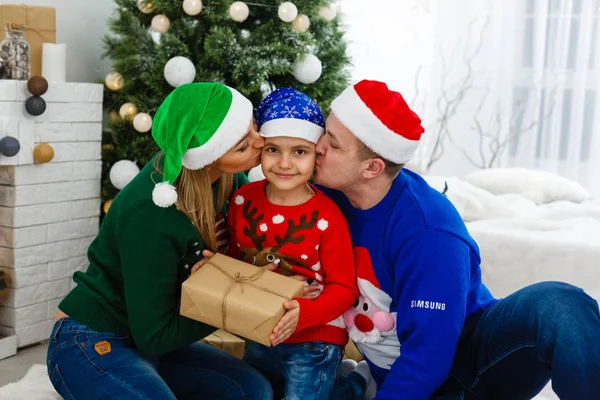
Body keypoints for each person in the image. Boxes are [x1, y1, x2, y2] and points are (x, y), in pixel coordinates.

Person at [315, 80, 600, 400]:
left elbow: (429, 354)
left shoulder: (428, 234)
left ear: (371, 167)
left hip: (472, 358)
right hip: (402, 367)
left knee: (560, 305)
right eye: (325, 132)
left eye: (334, 144)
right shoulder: (327, 194)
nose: (318, 146)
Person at [46, 82, 273, 400]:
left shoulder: (227, 179)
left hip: (152, 335)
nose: (261, 142)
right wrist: (219, 305)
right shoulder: (150, 213)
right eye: (243, 146)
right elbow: (154, 337)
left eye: (252, 127)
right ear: (207, 158)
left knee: (253, 391)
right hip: (92, 339)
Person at [227, 88, 359, 400]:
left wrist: (305, 312)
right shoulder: (243, 199)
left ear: (316, 154)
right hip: (262, 327)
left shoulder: (328, 215)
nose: (285, 163)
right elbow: (237, 261)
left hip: (316, 339)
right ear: (260, 149)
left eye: (299, 152)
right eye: (273, 150)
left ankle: (354, 387)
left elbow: (345, 289)